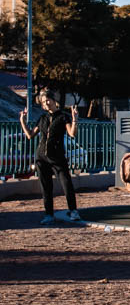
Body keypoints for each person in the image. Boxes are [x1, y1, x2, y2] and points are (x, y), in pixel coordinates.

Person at [18, 89, 81, 224]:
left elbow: (72, 133)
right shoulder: (42, 118)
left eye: (47, 100)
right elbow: (30, 135)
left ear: (53, 100)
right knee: (46, 187)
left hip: (58, 157)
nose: (46, 104)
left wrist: (75, 120)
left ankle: (73, 210)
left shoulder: (63, 116)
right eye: (43, 102)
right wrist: (22, 121)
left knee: (66, 183)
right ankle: (48, 214)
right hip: (41, 158)